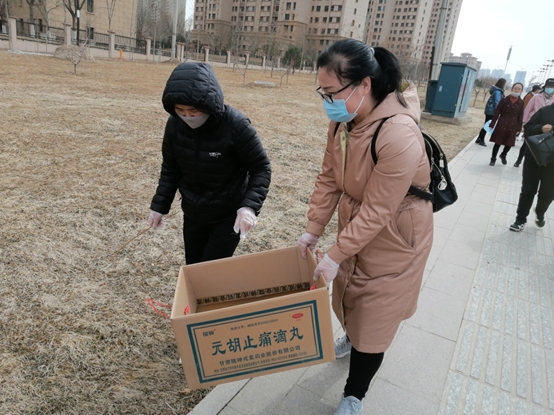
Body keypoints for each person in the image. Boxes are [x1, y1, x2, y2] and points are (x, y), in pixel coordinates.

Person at [296, 39, 433, 415]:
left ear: (365, 84)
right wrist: (313, 229)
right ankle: (352, 336)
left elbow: (378, 209)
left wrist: (335, 254)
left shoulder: (398, 133)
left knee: (376, 315)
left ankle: (354, 395)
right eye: (322, 93)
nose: (327, 101)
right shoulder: (343, 123)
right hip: (359, 221)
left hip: (397, 233)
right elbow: (329, 178)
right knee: (350, 294)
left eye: (332, 92)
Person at [148, 62, 271, 264]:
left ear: (208, 105)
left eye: (193, 110)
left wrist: (248, 207)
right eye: (180, 110)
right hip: (193, 213)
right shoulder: (174, 125)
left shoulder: (236, 126)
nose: (187, 116)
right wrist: (159, 206)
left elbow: (261, 168)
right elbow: (171, 168)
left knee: (211, 271)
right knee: (194, 266)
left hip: (227, 215)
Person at [509, 103, 554, 231]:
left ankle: (540, 211)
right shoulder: (545, 111)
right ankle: (520, 219)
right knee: (528, 190)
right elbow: (528, 128)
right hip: (535, 157)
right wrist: (541, 128)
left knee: (548, 193)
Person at [514, 79, 554, 167]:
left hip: (547, 128)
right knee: (527, 144)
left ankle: (541, 161)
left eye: (552, 87)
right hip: (534, 124)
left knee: (544, 145)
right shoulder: (536, 97)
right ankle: (519, 160)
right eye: (549, 86)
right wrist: (524, 123)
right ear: (545, 87)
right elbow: (527, 110)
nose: (550, 88)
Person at [488, 82, 524, 166]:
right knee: (497, 143)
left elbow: (520, 115)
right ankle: (493, 158)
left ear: (521, 91)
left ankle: (503, 154)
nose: (517, 90)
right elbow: (497, 112)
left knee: (509, 144)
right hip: (502, 123)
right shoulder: (504, 100)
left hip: (513, 125)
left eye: (519, 89)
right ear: (512, 89)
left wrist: (519, 128)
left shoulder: (521, 102)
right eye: (515, 88)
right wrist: (492, 123)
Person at [475, 78, 506, 146]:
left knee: (486, 125)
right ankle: (481, 140)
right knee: (487, 126)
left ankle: (479, 138)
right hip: (492, 111)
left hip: (490, 110)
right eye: (504, 84)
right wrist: (500, 111)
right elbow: (497, 102)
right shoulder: (498, 92)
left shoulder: (497, 91)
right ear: (502, 84)